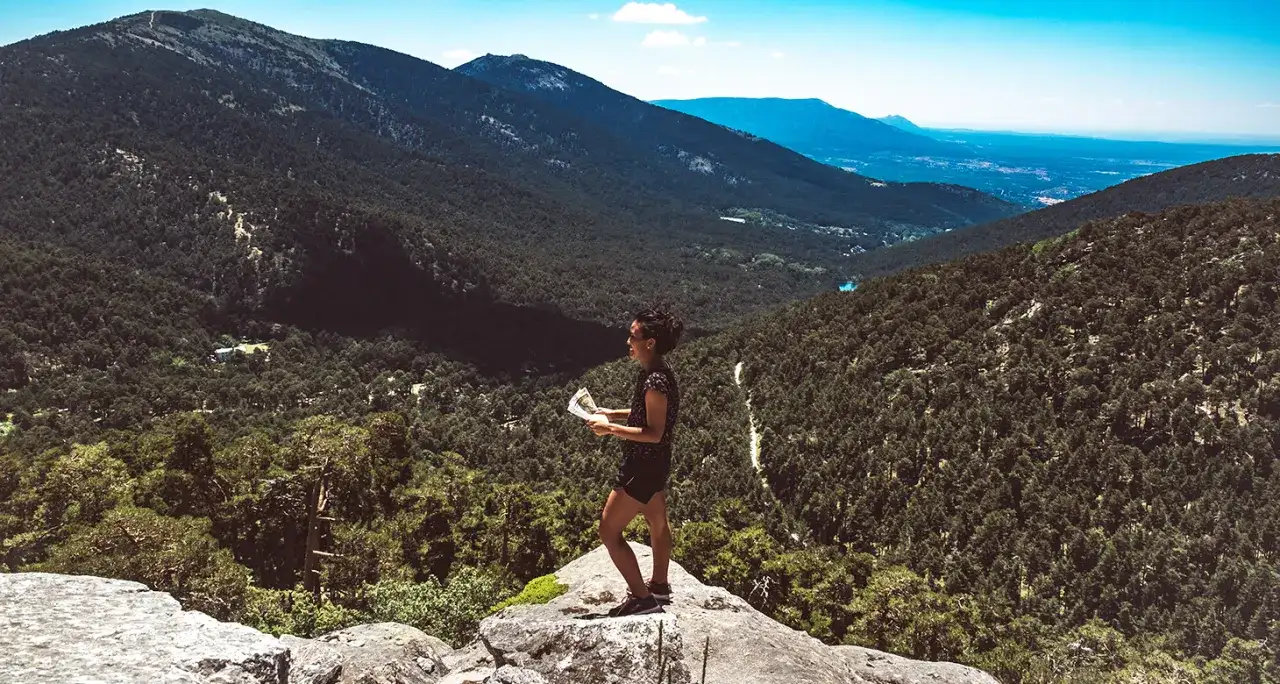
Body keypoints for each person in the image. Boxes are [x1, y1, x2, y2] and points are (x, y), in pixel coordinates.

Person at [584, 307, 684, 617]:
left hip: (642, 465)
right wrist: (612, 413)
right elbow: (649, 415)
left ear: (650, 342)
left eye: (633, 336)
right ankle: (660, 586)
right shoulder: (658, 374)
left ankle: (642, 600)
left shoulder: (654, 381)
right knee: (656, 520)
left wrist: (609, 429)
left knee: (608, 531)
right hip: (656, 464)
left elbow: (654, 432)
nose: (628, 340)